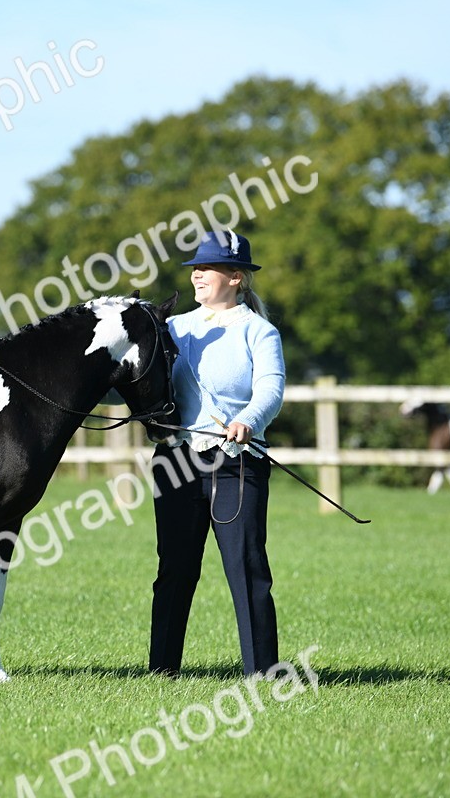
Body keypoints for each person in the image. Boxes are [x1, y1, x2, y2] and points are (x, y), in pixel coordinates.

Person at [149, 229, 286, 677]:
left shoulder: (259, 331)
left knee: (246, 569)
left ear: (237, 277)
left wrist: (251, 419)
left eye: (207, 268)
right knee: (175, 570)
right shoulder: (171, 328)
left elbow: (272, 387)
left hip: (236, 463)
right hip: (176, 463)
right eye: (195, 268)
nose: (197, 275)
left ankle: (261, 673)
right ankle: (162, 670)